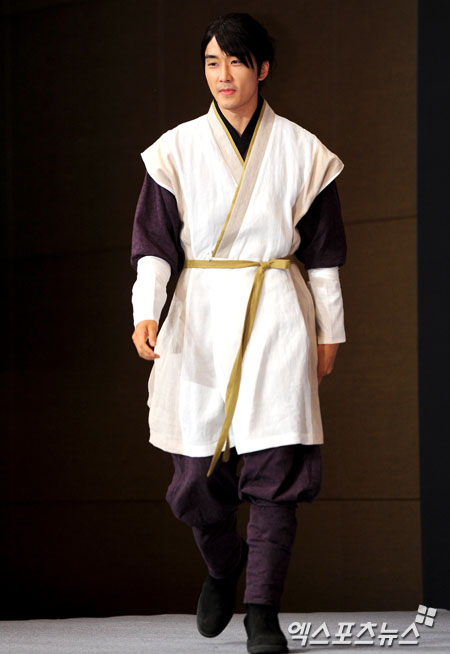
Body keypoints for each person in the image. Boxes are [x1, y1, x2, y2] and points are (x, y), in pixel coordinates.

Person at [130, 13, 346, 654]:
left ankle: (262, 613)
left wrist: (330, 331)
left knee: (276, 467)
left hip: (277, 313)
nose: (222, 75)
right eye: (211, 63)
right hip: (199, 315)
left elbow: (324, 254)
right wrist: (146, 308)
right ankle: (225, 566)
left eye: (235, 61)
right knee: (195, 476)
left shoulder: (304, 151)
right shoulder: (175, 150)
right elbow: (153, 246)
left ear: (263, 68)